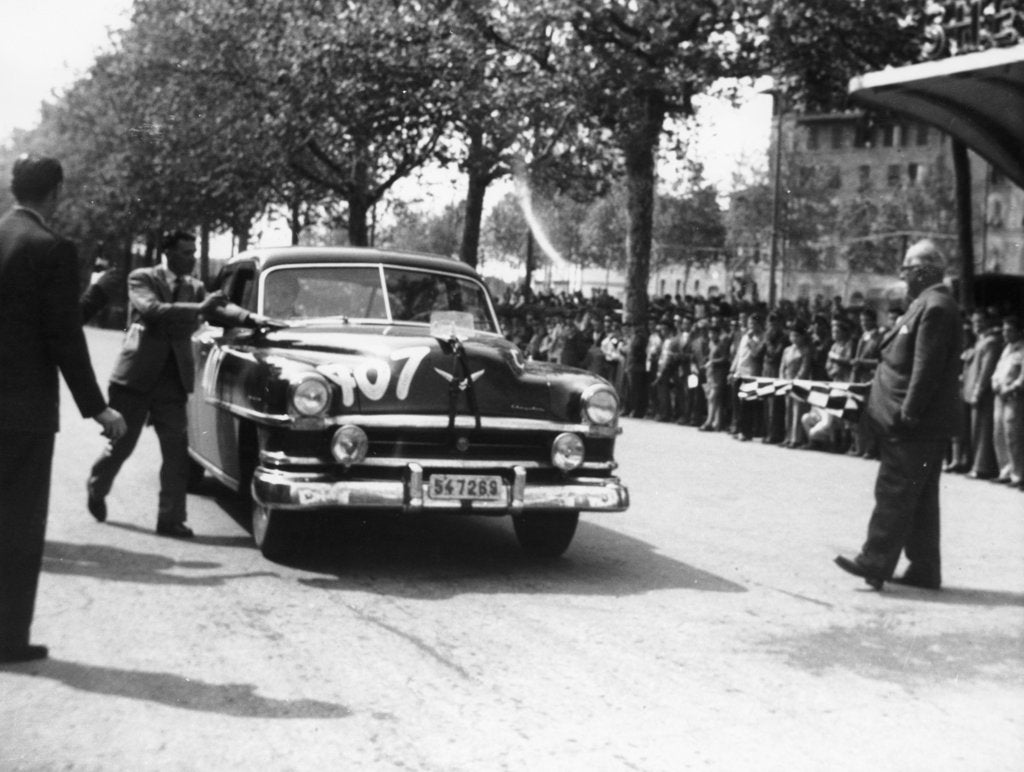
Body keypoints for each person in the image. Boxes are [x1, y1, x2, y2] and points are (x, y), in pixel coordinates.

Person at [0, 154, 127, 663]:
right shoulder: (51, 248)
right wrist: (99, 409)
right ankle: (7, 637)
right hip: (23, 410)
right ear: (54, 192)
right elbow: (64, 339)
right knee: (18, 525)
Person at [86, 230, 265, 538]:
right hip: (135, 378)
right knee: (122, 445)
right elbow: (153, 310)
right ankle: (97, 485)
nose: (192, 257)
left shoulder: (195, 287)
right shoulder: (142, 278)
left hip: (172, 381)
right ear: (167, 253)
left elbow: (220, 308)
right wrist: (200, 309)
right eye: (185, 252)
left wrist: (253, 319)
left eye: (194, 252)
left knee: (176, 453)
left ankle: (171, 519)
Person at [835, 240, 962, 591]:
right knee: (920, 499)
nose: (903, 273)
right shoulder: (926, 304)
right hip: (915, 421)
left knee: (894, 492)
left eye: (907, 266)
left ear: (925, 269)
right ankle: (924, 568)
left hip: (912, 423)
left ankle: (875, 560)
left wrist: (909, 412)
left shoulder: (934, 306)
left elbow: (926, 367)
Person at [991, 315, 1023, 489]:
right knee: (999, 433)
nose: (1005, 333)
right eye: (1004, 330)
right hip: (999, 396)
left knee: (1013, 435)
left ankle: (1018, 475)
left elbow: (1022, 377)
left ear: (1019, 331)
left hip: (1014, 398)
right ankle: (1005, 471)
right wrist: (995, 382)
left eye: (1009, 330)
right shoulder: (1007, 349)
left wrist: (1011, 388)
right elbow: (997, 371)